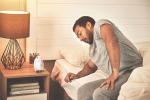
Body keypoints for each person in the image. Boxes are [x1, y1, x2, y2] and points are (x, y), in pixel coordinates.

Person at [64, 16, 143, 100]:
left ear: (88, 25)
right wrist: (77, 76)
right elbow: (90, 67)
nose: (80, 39)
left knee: (100, 94)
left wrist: (114, 72)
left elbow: (111, 40)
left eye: (80, 33)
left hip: (132, 71)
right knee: (83, 91)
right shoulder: (93, 49)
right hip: (118, 76)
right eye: (78, 37)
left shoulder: (101, 25)